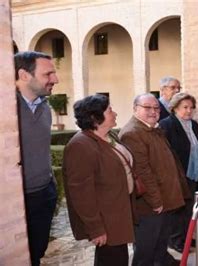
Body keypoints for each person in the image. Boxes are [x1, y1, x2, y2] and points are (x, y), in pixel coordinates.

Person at [62, 94, 134, 265]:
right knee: (111, 260)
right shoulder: (80, 145)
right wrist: (95, 229)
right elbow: (81, 193)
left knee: (119, 258)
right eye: (110, 110)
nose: (115, 113)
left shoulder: (109, 136)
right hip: (106, 219)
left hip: (118, 214)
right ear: (95, 117)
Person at [119, 93, 190, 266]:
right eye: (147, 107)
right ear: (135, 108)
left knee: (159, 244)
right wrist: (156, 202)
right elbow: (142, 171)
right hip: (150, 205)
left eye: (156, 108)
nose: (153, 111)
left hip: (164, 200)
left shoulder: (152, 128)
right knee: (145, 251)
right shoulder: (132, 133)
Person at [15, 51, 59, 266]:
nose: (55, 79)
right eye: (48, 74)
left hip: (44, 194)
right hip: (16, 201)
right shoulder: (6, 110)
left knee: (37, 253)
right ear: (24, 75)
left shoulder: (45, 107)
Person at [160, 92, 198, 252]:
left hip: (193, 174)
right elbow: (165, 153)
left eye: (191, 108)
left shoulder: (194, 125)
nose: (188, 111)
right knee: (177, 211)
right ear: (175, 108)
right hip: (177, 176)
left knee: (189, 209)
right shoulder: (167, 124)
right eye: (185, 107)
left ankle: (185, 237)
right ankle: (175, 240)